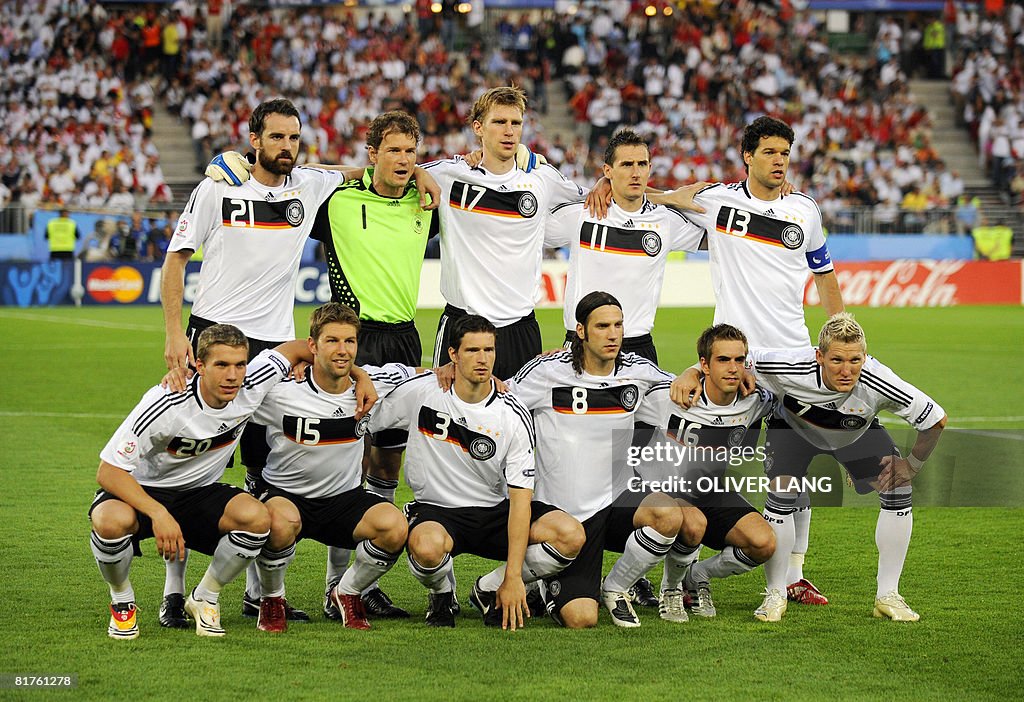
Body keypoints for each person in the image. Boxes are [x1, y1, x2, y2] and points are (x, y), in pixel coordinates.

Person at [158, 98, 377, 628]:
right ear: (253, 139)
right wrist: (172, 336)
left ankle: (259, 594)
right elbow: (176, 258)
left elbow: (363, 171)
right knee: (190, 465)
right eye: (276, 137)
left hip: (276, 348)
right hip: (212, 339)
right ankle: (172, 592)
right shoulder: (217, 187)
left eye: (294, 138)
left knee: (263, 469)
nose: (286, 147)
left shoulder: (308, 185)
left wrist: (422, 175)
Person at [672, 116, 845, 608]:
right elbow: (663, 198)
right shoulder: (718, 200)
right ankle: (676, 570)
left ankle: (793, 574)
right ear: (747, 155)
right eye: (769, 152)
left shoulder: (804, 210)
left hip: (793, 357)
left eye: (784, 154)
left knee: (795, 470)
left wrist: (841, 335)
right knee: (705, 467)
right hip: (737, 363)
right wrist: (658, 192)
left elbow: (826, 276)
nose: (779, 161)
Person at [421, 86, 699, 380]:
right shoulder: (449, 174)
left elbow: (612, 195)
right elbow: (393, 172)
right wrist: (416, 171)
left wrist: (664, 196)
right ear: (478, 127)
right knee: (454, 417)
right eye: (499, 122)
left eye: (516, 123)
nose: (509, 131)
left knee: (521, 421)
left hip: (521, 328)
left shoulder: (543, 179)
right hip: (463, 322)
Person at [88, 325, 312, 639]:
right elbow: (108, 472)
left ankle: (205, 596)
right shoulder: (167, 402)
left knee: (258, 518)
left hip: (200, 493)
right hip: (146, 491)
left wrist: (358, 376)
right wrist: (159, 514)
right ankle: (122, 602)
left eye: (240, 364)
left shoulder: (253, 383)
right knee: (109, 521)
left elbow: (305, 346)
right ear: (200, 366)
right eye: (221, 365)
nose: (233, 375)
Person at [368, 315, 584, 629]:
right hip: (437, 511)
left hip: (494, 511)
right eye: (472, 351)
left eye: (489, 350)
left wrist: (511, 579)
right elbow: (367, 417)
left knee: (570, 535)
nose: (483, 359)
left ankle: (488, 589)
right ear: (452, 355)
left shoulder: (512, 412)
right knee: (427, 548)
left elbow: (521, 500)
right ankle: (442, 592)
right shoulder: (422, 392)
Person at [308, 111, 435, 620]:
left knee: (386, 465)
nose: (404, 160)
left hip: (404, 339)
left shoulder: (427, 203)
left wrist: (426, 174)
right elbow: (293, 180)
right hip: (352, 341)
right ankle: (334, 584)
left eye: (411, 151)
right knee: (348, 466)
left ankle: (361, 582)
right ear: (372, 154)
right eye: (394, 151)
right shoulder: (338, 200)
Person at [747, 313, 946, 622]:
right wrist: (693, 374)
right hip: (792, 431)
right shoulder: (786, 365)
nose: (846, 370)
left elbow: (935, 420)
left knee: (899, 487)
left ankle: (888, 595)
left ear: (865, 357)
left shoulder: (878, 380)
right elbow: (738, 360)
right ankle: (775, 593)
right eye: (837, 359)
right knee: (783, 492)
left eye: (855, 360)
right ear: (819, 356)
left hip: (854, 432)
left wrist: (912, 465)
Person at [505, 292, 687, 628]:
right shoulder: (548, 371)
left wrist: (690, 373)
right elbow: (501, 400)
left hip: (615, 500)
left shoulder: (637, 371)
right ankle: (512, 582)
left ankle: (616, 588)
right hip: (564, 516)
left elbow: (678, 390)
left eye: (618, 325)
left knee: (668, 514)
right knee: (581, 619)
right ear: (581, 331)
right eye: (603, 326)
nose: (614, 334)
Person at [251, 304, 412, 631]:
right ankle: (271, 598)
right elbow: (235, 393)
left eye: (350, 342)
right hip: (287, 497)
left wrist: (449, 370)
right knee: (278, 523)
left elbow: (414, 373)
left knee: (394, 526)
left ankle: (346, 592)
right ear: (312, 346)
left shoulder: (371, 384)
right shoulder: (280, 392)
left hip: (343, 500)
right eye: (332, 341)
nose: (343, 350)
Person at [632, 324, 777, 621]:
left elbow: (791, 398)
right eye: (723, 360)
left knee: (764, 543)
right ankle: (670, 590)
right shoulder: (670, 396)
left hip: (709, 490)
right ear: (704, 365)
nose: (733, 368)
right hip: (663, 492)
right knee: (694, 524)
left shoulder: (754, 400)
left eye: (739, 360)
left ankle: (697, 576)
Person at [545, 128, 705, 365]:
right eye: (627, 164)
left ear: (650, 168)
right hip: (583, 343)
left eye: (642, 164)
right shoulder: (583, 214)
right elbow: (526, 221)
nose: (636, 172)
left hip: (638, 347)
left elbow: (721, 239)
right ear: (608, 170)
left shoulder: (666, 221)